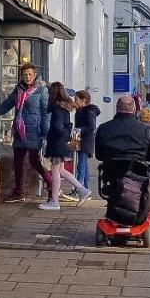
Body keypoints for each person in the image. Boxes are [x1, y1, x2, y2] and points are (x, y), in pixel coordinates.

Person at [0, 63, 50, 203]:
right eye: (25, 74)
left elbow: (45, 113)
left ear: (35, 75)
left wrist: (45, 132)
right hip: (20, 130)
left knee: (35, 161)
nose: (27, 77)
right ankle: (19, 192)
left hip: (34, 131)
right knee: (18, 162)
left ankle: (52, 186)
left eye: (30, 74)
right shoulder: (18, 90)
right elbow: (7, 104)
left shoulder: (42, 90)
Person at [40, 82, 90, 211]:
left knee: (55, 171)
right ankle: (82, 190)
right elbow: (66, 126)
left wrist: (53, 135)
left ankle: (55, 201)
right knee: (61, 170)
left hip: (57, 143)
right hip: (62, 143)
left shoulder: (56, 108)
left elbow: (57, 127)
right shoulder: (65, 107)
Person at [96, 95, 150, 164]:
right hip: (138, 172)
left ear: (117, 109)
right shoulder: (146, 130)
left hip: (110, 171)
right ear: (134, 110)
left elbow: (99, 156)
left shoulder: (103, 128)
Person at [73, 89, 100, 193]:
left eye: (76, 100)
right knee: (84, 165)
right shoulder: (80, 111)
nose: (75, 102)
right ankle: (86, 187)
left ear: (83, 100)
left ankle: (80, 189)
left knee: (81, 165)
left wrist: (79, 129)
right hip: (80, 140)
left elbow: (91, 127)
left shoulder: (89, 112)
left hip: (86, 141)